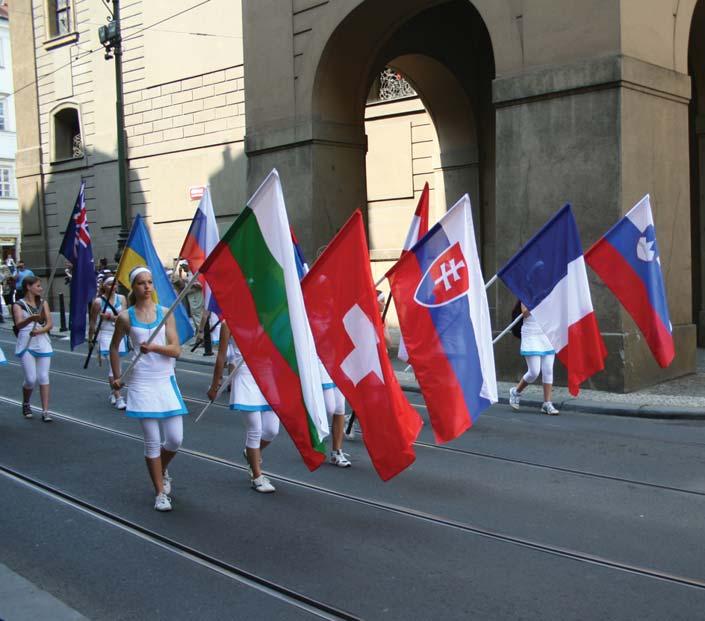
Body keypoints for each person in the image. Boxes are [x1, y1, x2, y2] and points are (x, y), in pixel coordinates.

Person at [110, 266, 188, 512]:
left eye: (150, 282)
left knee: (175, 439)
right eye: (141, 283)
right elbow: (114, 348)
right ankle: (159, 491)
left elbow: (176, 350)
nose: (146, 287)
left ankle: (161, 468)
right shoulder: (125, 317)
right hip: (141, 382)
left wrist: (154, 348)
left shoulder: (166, 314)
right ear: (133, 287)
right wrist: (117, 376)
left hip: (165, 380)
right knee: (152, 441)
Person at [208, 321, 278, 493]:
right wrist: (215, 384)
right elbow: (222, 356)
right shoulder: (228, 323)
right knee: (255, 429)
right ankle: (257, 476)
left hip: (267, 375)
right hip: (245, 375)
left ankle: (251, 452)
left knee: (271, 430)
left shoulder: (269, 315)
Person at [12, 275, 54, 421]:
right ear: (28, 287)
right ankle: (26, 402)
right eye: (38, 286)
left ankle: (45, 411)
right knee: (31, 379)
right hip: (26, 341)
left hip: (41, 341)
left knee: (43, 376)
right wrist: (31, 319)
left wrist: (40, 331)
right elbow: (18, 324)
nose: (41, 288)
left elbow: (49, 324)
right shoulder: (18, 304)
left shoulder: (43, 303)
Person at [508, 302, 560, 415]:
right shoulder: (527, 291)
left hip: (547, 333)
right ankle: (516, 392)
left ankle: (547, 403)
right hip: (531, 334)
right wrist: (539, 300)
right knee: (534, 372)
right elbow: (525, 313)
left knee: (548, 370)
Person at [89, 276, 128, 409]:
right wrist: (91, 338)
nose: (114, 287)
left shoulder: (121, 299)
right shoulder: (98, 302)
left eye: (115, 284)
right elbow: (93, 321)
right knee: (113, 367)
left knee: (119, 367)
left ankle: (113, 391)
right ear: (104, 286)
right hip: (105, 335)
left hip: (119, 333)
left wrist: (110, 317)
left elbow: (124, 317)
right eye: (111, 284)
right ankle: (119, 397)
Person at [321, 362, 351, 467]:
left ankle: (336, 452)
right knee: (330, 408)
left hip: (338, 361)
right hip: (319, 361)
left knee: (339, 408)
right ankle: (313, 441)